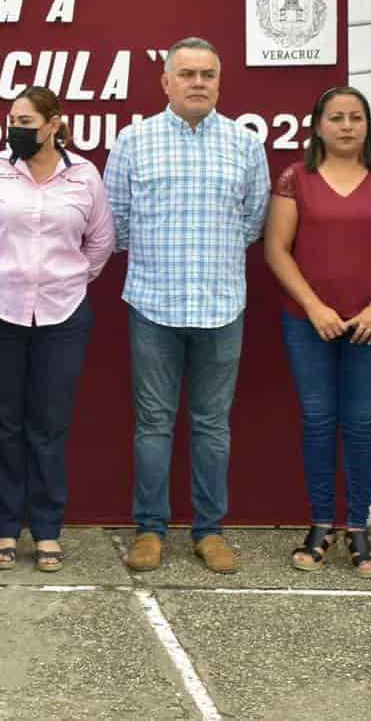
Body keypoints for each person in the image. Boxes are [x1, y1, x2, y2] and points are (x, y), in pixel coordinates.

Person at [103, 37, 269, 575]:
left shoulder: (245, 145)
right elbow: (116, 223)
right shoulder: (134, 141)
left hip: (222, 307)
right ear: (166, 82)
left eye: (209, 74)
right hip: (153, 303)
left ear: (220, 82)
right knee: (153, 423)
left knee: (212, 425)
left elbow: (253, 222)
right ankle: (150, 528)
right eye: (188, 74)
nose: (199, 83)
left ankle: (209, 530)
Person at [263, 86, 371, 577]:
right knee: (316, 421)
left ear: (367, 124)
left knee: (358, 424)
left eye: (356, 117)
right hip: (309, 323)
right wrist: (313, 307)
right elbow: (276, 249)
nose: (348, 126)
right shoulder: (296, 178)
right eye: (336, 118)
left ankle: (358, 527)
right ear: (318, 126)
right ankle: (320, 525)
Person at [0, 86, 114, 573]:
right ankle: (5, 528)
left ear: (53, 124)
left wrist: (63, 278)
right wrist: (2, 275)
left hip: (62, 314)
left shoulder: (84, 175)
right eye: (11, 120)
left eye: (26, 120)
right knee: (3, 424)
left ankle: (46, 531)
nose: (16, 129)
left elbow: (101, 243)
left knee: (49, 426)